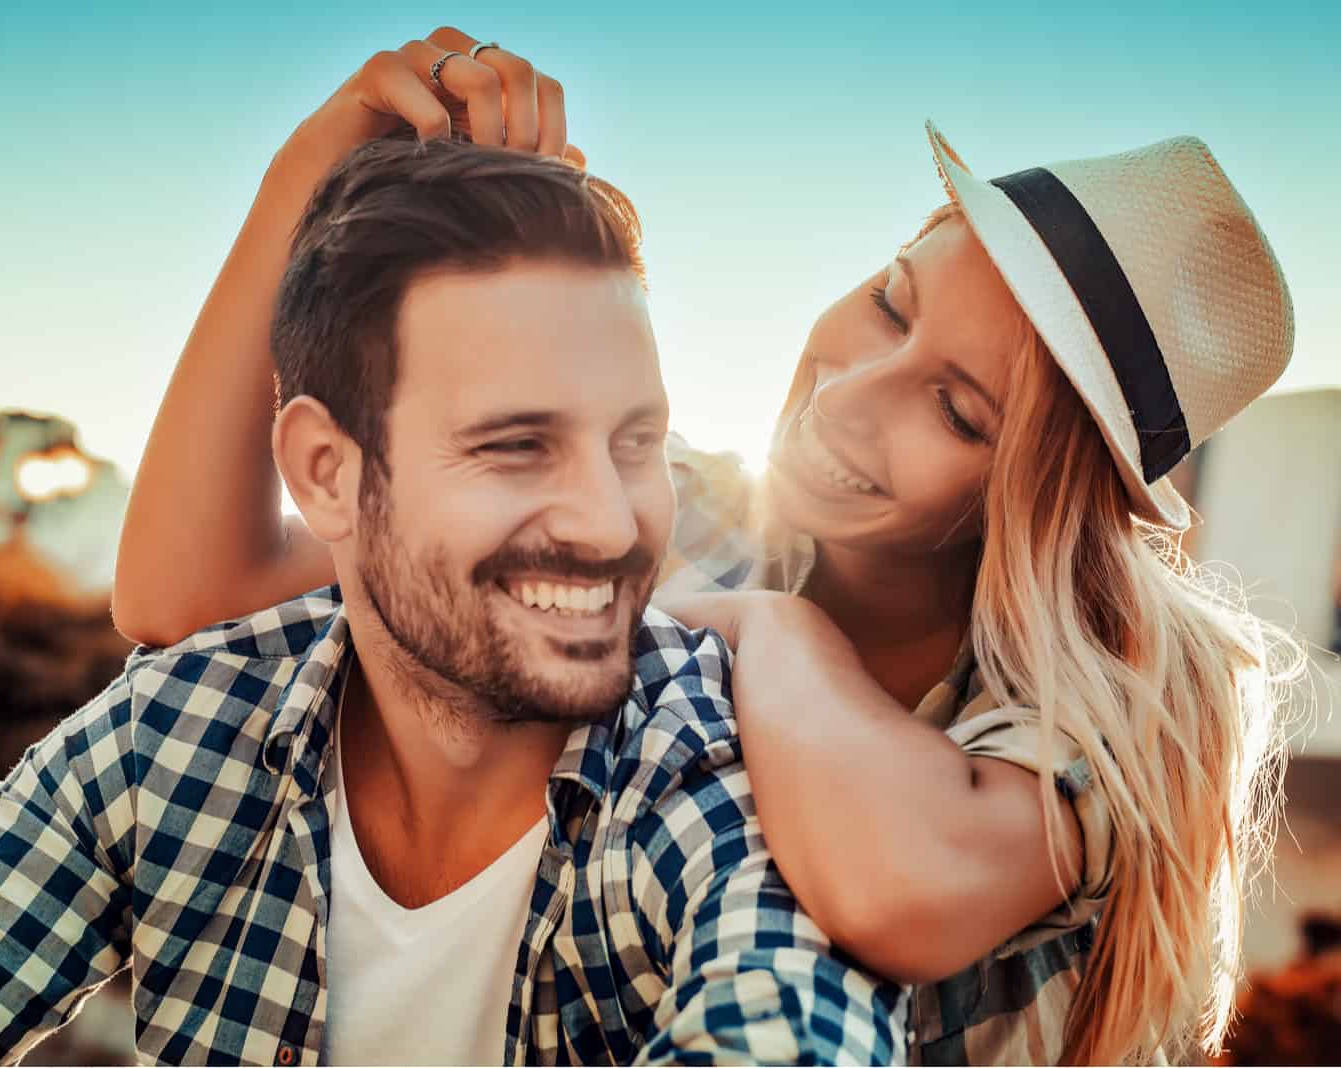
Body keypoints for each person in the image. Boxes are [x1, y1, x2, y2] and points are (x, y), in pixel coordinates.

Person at [108, 28, 1306, 1065]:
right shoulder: (678, 505)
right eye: (891, 301)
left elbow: (901, 888)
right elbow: (189, 600)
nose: (853, 392)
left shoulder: (1130, 687)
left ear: (1044, 495)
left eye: (956, 411)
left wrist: (767, 630)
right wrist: (304, 177)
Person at [0, 137, 906, 1066]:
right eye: (514, 447)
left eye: (635, 441)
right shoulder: (188, 723)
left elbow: (787, 1026)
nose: (607, 521)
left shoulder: (718, 773)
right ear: (327, 473)